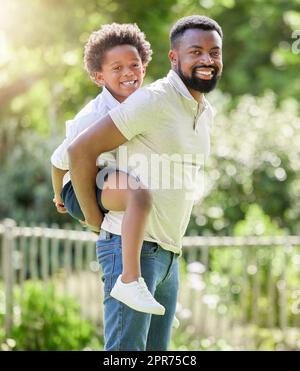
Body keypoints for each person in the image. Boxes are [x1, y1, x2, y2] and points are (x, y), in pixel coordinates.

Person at [68, 15, 223, 351]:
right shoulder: (153, 99)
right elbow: (80, 150)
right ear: (174, 57)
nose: (207, 60)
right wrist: (93, 219)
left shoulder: (204, 111)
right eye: (196, 51)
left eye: (214, 52)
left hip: (169, 255)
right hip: (134, 252)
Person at [51, 23, 165, 315]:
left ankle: (148, 283)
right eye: (117, 68)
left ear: (144, 66)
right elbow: (59, 161)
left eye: (134, 65)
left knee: (148, 190)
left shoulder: (144, 103)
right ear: (99, 76)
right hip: (79, 186)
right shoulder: (93, 115)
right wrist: (63, 199)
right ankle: (129, 280)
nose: (128, 72)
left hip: (107, 179)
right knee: (137, 195)